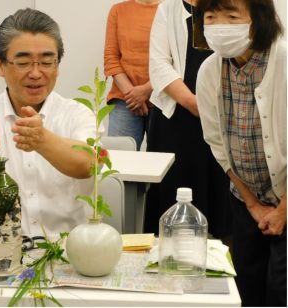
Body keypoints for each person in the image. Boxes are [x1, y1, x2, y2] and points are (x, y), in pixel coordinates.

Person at [0, 8, 98, 235]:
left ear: (58, 64)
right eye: (24, 62)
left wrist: (42, 140)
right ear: (0, 64)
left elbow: (89, 164)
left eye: (47, 62)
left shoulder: (78, 114)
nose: (36, 73)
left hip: (68, 252)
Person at [194, 0, 286, 306]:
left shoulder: (283, 60)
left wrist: (283, 209)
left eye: (231, 15)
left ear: (257, 20)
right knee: (246, 282)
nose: (219, 25)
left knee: (280, 287)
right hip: (246, 199)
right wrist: (252, 204)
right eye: (210, 16)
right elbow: (217, 143)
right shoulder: (209, 70)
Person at [144, 0, 232, 245]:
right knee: (172, 193)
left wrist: (210, 106)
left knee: (221, 197)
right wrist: (193, 103)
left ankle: (222, 267)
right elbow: (159, 65)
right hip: (176, 117)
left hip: (222, 113)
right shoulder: (168, 8)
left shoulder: (230, 5)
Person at [104, 0, 160, 150]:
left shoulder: (173, 10)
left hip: (164, 97)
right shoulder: (118, 10)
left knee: (165, 163)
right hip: (125, 100)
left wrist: (146, 90)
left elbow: (177, 59)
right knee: (118, 164)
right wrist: (132, 94)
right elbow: (111, 58)